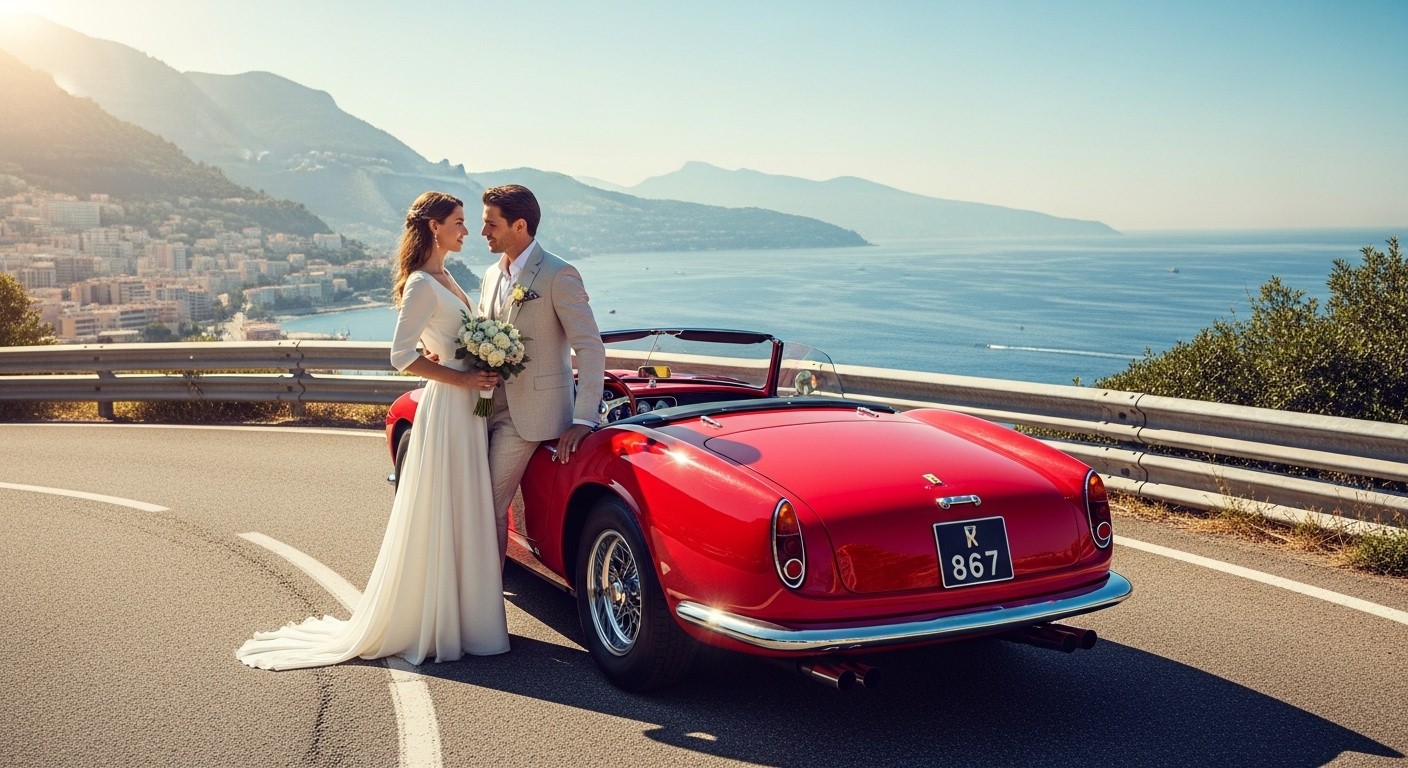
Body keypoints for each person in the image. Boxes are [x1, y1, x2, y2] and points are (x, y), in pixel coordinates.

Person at [236, 192, 509, 670]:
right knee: (446, 508)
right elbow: (401, 356)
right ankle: (438, 619)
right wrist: (465, 378)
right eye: (460, 223)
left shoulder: (447, 277)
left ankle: (464, 618)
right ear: (434, 227)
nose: (468, 231)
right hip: (448, 408)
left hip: (468, 409)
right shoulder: (423, 284)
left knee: (464, 507)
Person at [477, 184, 605, 562]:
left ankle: (484, 602)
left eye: (491, 224)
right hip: (486, 408)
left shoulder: (557, 274)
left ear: (519, 225)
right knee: (470, 498)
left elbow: (590, 347)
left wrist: (584, 418)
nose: (484, 232)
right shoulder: (490, 275)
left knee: (487, 504)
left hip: (533, 416)